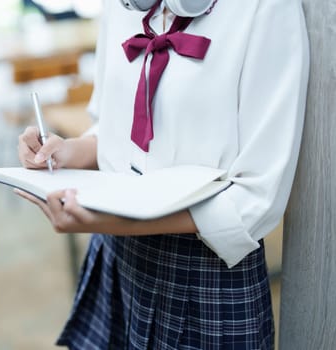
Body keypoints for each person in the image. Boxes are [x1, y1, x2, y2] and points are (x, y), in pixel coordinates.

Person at [16, 0, 309, 348]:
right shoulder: (121, 7)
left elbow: (256, 198)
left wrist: (112, 221)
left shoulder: (266, 8)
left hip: (202, 274)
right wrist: (67, 151)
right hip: (116, 255)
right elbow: (112, 127)